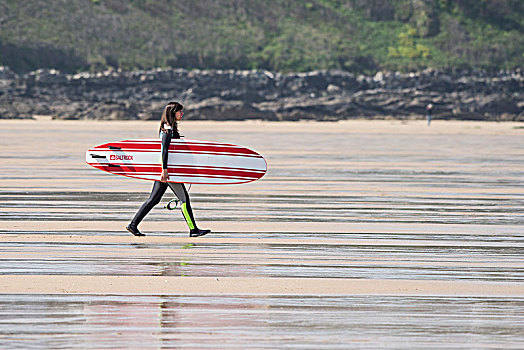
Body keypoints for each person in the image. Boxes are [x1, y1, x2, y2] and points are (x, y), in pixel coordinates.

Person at [126, 101, 211, 237]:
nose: (182, 114)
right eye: (180, 111)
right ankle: (193, 230)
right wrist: (164, 170)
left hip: (167, 170)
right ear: (173, 112)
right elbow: (164, 150)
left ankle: (133, 225)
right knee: (184, 199)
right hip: (169, 172)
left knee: (154, 199)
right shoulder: (167, 129)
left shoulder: (169, 128)